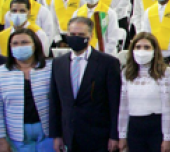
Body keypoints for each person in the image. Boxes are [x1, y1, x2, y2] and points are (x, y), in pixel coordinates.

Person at [49, 16, 122, 152]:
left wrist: (114, 136)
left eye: (81, 34)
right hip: (70, 135)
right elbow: (55, 102)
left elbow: (114, 102)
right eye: (72, 34)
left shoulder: (108, 63)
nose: (76, 38)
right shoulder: (58, 63)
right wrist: (56, 135)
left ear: (90, 35)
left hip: (99, 136)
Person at [0, 28, 53, 151]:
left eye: (25, 42)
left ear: (35, 45)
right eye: (15, 43)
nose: (20, 46)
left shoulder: (51, 67)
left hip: (49, 133)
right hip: (16, 135)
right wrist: (0, 140)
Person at [118, 33, 170, 152]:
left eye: (146, 47)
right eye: (138, 47)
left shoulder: (167, 73)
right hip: (134, 128)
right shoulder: (126, 73)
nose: (142, 51)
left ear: (154, 50)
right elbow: (123, 106)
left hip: (158, 127)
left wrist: (168, 137)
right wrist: (122, 135)